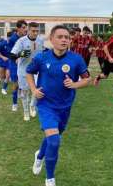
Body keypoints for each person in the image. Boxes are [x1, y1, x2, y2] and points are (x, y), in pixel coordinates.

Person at [27, 25, 90, 186]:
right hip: (46, 105)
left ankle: (40, 155)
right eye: (60, 37)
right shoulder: (42, 58)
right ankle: (50, 178)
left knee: (52, 138)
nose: (64, 40)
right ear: (51, 39)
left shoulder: (76, 59)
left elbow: (86, 79)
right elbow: (29, 72)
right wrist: (34, 89)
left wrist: (75, 84)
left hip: (65, 107)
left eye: (67, 37)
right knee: (54, 141)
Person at [11, 22, 46, 121]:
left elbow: (43, 51)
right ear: (28, 30)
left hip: (36, 70)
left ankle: (32, 105)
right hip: (23, 71)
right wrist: (20, 54)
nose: (35, 33)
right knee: (25, 92)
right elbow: (12, 55)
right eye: (33, 31)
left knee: (37, 89)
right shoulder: (21, 41)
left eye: (37, 31)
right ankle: (26, 112)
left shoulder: (40, 40)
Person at [4, 20, 28, 112]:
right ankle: (14, 103)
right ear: (18, 28)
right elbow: (11, 55)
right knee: (16, 84)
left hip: (24, 63)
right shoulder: (13, 39)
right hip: (14, 63)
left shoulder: (26, 38)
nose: (25, 29)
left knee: (25, 83)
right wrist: (21, 54)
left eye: (26, 27)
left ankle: (24, 97)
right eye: (23, 28)